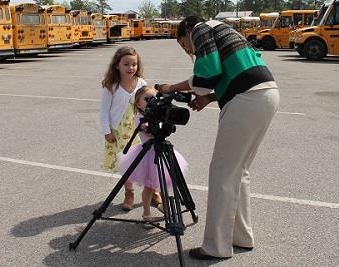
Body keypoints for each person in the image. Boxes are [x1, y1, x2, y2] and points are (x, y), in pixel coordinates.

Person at [158, 16, 280, 260]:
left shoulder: (200, 29)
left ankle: (216, 247)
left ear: (187, 31)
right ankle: (241, 237)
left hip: (246, 100)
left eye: (185, 45)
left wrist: (171, 88)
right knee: (238, 171)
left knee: (222, 171)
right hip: (266, 94)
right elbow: (236, 72)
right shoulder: (225, 30)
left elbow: (208, 72)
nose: (189, 50)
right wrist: (210, 97)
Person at [99, 47, 163, 211]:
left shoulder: (141, 83)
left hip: (140, 129)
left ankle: (154, 192)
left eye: (134, 64)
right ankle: (129, 193)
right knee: (127, 164)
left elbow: (149, 104)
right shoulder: (111, 85)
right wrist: (107, 131)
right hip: (120, 132)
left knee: (148, 161)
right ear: (117, 66)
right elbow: (104, 110)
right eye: (126, 64)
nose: (131, 68)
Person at [117, 86, 188, 224]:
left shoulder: (160, 114)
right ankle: (146, 213)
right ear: (138, 103)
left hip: (162, 152)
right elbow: (148, 131)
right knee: (149, 187)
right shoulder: (140, 118)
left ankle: (166, 207)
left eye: (154, 98)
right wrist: (153, 125)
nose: (152, 102)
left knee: (164, 185)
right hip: (148, 155)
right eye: (147, 99)